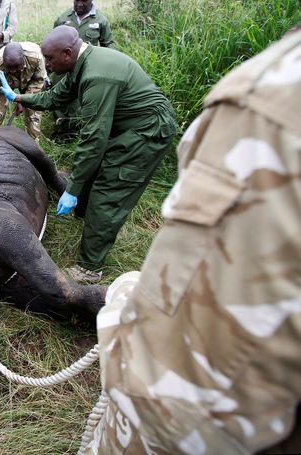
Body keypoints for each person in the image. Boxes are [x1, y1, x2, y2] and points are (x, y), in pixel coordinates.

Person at [82, 26, 301, 454]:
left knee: (110, 192)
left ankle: (90, 261)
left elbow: (174, 401)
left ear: (69, 54)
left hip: (143, 133)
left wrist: (122, 304)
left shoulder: (274, 106)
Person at [0, 26, 176, 282]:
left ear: (68, 53)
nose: (46, 65)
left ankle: (89, 268)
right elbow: (54, 97)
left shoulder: (96, 77)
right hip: (126, 125)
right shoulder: (80, 63)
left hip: (148, 130)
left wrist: (73, 189)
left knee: (110, 189)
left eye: (50, 59)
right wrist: (18, 97)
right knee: (93, 171)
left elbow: (94, 140)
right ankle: (87, 217)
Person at [51, 0, 114, 142]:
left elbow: (107, 45)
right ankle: (61, 131)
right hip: (62, 67)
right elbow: (52, 42)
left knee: (80, 100)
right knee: (59, 97)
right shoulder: (63, 18)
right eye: (76, 0)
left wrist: (106, 68)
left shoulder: (100, 20)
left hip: (86, 68)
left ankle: (76, 133)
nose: (79, 4)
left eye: (83, 1)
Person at [0, 41, 47, 141]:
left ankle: (33, 145)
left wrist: (23, 100)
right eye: (9, 67)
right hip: (3, 83)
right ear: (4, 61)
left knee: (33, 115)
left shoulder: (36, 57)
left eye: (16, 67)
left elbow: (37, 82)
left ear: (23, 59)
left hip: (29, 81)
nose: (13, 71)